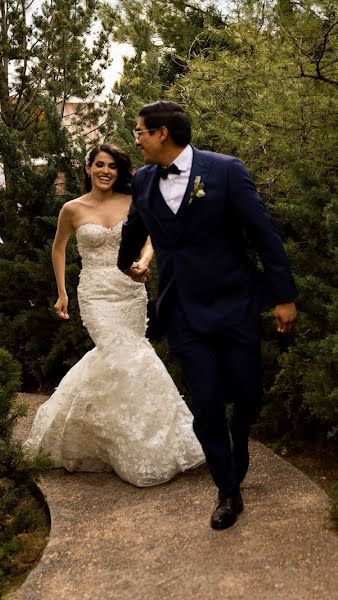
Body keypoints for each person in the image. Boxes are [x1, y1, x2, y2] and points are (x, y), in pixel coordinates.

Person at [118, 101, 298, 530]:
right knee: (206, 403)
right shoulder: (142, 180)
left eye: (141, 131)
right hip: (182, 308)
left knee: (247, 394)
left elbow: (263, 234)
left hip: (234, 303)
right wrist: (128, 262)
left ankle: (241, 440)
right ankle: (226, 489)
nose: (136, 139)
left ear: (163, 133)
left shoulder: (225, 171)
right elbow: (134, 229)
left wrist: (283, 297)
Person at [25, 143, 205, 486]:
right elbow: (59, 247)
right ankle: (141, 444)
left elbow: (150, 236)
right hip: (95, 295)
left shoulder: (132, 203)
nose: (106, 171)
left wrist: (144, 260)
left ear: (120, 171)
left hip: (130, 289)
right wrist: (62, 293)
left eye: (112, 166)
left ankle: (116, 436)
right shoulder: (72, 209)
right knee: (126, 355)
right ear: (89, 168)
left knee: (124, 360)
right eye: (100, 165)